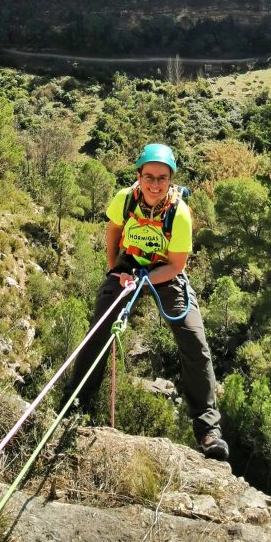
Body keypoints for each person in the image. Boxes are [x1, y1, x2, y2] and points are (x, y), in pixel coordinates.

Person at [62, 142, 229, 461]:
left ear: (170, 180)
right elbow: (113, 232)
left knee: (194, 342)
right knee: (100, 328)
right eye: (149, 176)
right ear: (138, 175)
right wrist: (114, 272)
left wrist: (143, 280)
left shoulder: (179, 214)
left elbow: (176, 265)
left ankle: (208, 431)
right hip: (130, 265)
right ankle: (75, 404)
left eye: (162, 178)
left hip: (165, 272)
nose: (154, 184)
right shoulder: (124, 200)